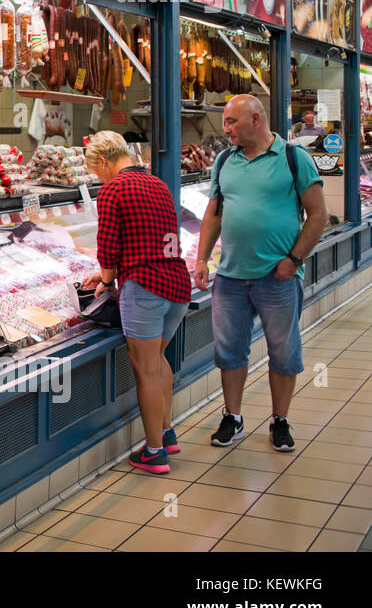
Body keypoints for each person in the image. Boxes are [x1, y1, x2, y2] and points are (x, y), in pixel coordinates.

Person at [194, 94, 327, 452]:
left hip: (278, 277)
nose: (226, 129)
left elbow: (318, 215)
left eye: (232, 122)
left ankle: (280, 420)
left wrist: (294, 260)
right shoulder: (225, 161)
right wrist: (201, 259)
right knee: (229, 352)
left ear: (256, 119)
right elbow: (214, 215)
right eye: (225, 122)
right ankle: (233, 418)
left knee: (284, 353)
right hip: (231, 277)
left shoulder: (293, 158)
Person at [86, 131, 191, 475]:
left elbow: (108, 245)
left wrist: (104, 281)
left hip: (144, 286)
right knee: (158, 361)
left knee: (144, 370)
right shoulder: (157, 184)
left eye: (95, 170)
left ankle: (155, 452)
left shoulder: (113, 188)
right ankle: (166, 431)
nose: (97, 178)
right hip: (176, 282)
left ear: (104, 162)